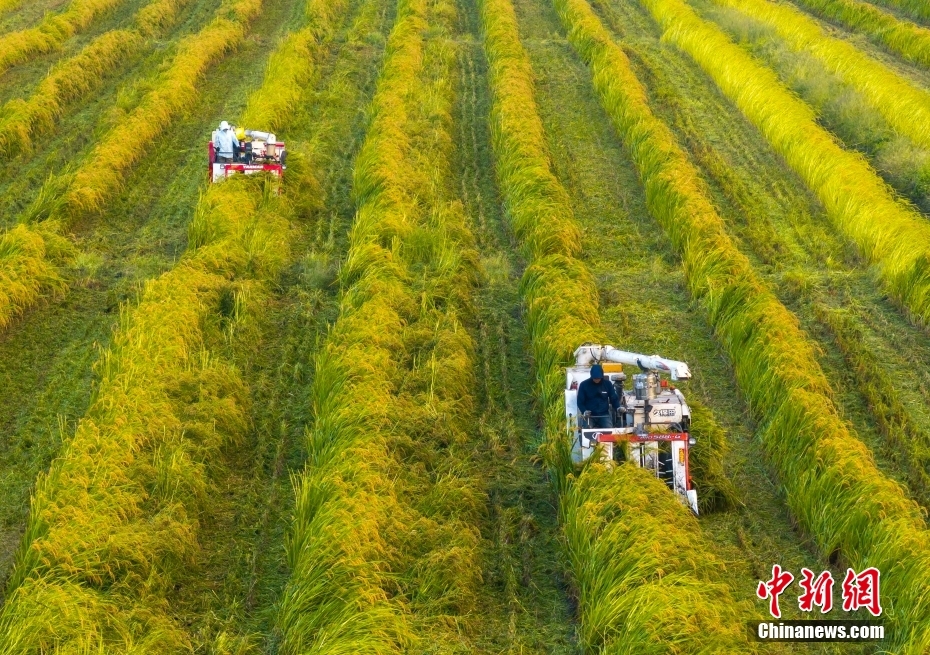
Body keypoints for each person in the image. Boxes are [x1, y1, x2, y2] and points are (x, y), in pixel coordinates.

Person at [576, 364, 621, 429]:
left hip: (604, 415)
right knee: (587, 429)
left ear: (602, 376)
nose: (597, 380)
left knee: (609, 430)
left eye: (598, 378)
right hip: (589, 415)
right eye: (595, 378)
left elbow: (613, 398)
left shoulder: (607, 384)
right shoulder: (584, 385)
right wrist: (584, 411)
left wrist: (618, 407)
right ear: (591, 376)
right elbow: (580, 402)